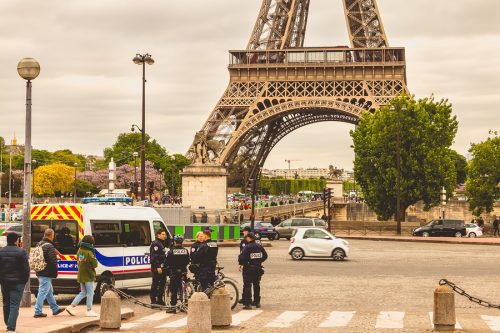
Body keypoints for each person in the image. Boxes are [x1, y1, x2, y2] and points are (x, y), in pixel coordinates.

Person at [0, 233, 29, 332]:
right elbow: (26, 269)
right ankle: (11, 328)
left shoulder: (1, 251)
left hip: (4, 282)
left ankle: (8, 323)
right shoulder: (21, 252)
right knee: (14, 305)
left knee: (6, 304)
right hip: (18, 283)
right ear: (17, 240)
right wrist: (23, 281)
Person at [34, 228, 66, 317]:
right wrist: (55, 272)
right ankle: (37, 311)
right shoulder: (49, 246)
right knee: (43, 291)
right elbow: (52, 260)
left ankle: (55, 308)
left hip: (40, 270)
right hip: (46, 272)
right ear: (52, 235)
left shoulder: (39, 243)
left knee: (49, 291)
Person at [66, 235, 99, 317]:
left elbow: (80, 261)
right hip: (88, 275)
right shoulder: (89, 252)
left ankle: (71, 307)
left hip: (81, 274)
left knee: (83, 292)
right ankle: (89, 310)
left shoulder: (80, 250)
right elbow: (95, 264)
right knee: (90, 293)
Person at [238, 232, 267, 309]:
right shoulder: (259, 246)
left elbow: (241, 257)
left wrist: (244, 264)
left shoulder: (247, 247)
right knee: (256, 285)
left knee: (247, 285)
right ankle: (257, 302)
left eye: (247, 238)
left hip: (249, 268)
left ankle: (248, 303)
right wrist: (259, 261)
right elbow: (265, 255)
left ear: (249, 238)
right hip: (258, 268)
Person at [165, 235, 190, 314]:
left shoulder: (171, 251)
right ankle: (185, 303)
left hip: (174, 272)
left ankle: (173, 307)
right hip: (183, 271)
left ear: (174, 242)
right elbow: (187, 261)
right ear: (182, 242)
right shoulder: (185, 251)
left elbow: (167, 262)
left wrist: (165, 268)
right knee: (184, 286)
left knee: (174, 290)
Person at [150, 229, 168, 305]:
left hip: (162, 267)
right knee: (155, 283)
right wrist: (158, 267)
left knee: (162, 284)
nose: (165, 236)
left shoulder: (161, 243)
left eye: (165, 234)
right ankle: (153, 300)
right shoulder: (156, 244)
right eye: (163, 234)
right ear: (158, 235)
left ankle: (160, 299)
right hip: (157, 267)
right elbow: (154, 257)